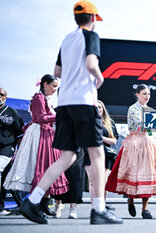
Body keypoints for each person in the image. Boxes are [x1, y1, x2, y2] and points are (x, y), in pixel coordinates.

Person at [19, 0, 123, 225]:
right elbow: (90, 63)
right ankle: (99, 209)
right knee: (97, 154)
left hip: (64, 104)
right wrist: (100, 77)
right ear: (93, 19)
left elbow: (57, 71)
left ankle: (33, 200)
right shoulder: (91, 36)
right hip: (84, 102)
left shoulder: (66, 39)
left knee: (68, 156)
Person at [5, 75, 69, 217]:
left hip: (47, 134)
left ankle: (44, 205)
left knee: (46, 168)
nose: (54, 90)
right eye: (53, 86)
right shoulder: (38, 98)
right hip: (39, 134)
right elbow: (41, 118)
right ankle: (36, 206)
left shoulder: (45, 98)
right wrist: (60, 115)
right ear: (45, 84)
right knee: (39, 168)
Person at [106, 84, 156, 219]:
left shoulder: (150, 109)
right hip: (134, 143)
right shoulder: (133, 109)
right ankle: (130, 200)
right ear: (137, 94)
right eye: (144, 94)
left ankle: (145, 209)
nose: (147, 96)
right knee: (132, 174)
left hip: (146, 143)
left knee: (148, 174)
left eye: (149, 94)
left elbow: (153, 129)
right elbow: (136, 125)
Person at [85, 100, 119, 212]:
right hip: (89, 153)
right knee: (91, 181)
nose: (98, 109)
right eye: (96, 107)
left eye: (100, 107)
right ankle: (95, 206)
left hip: (105, 155)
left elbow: (114, 141)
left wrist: (101, 137)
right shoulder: (87, 122)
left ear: (103, 109)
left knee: (103, 181)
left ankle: (102, 205)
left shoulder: (109, 123)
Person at [0, 87, 24, 216]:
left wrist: (19, 154)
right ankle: (21, 206)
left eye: (2, 95)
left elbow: (20, 135)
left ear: (6, 97)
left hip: (7, 148)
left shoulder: (12, 113)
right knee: (8, 179)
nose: (0, 97)